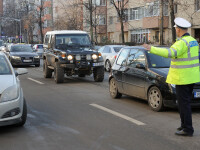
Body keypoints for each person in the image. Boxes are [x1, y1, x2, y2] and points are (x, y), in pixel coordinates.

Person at [143, 17, 200, 136]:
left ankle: (188, 129)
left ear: (178, 30)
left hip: (182, 78)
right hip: (192, 78)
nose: (176, 31)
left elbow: (170, 53)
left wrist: (151, 49)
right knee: (185, 103)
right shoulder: (193, 40)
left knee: (183, 104)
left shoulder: (181, 43)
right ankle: (184, 125)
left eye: (176, 29)